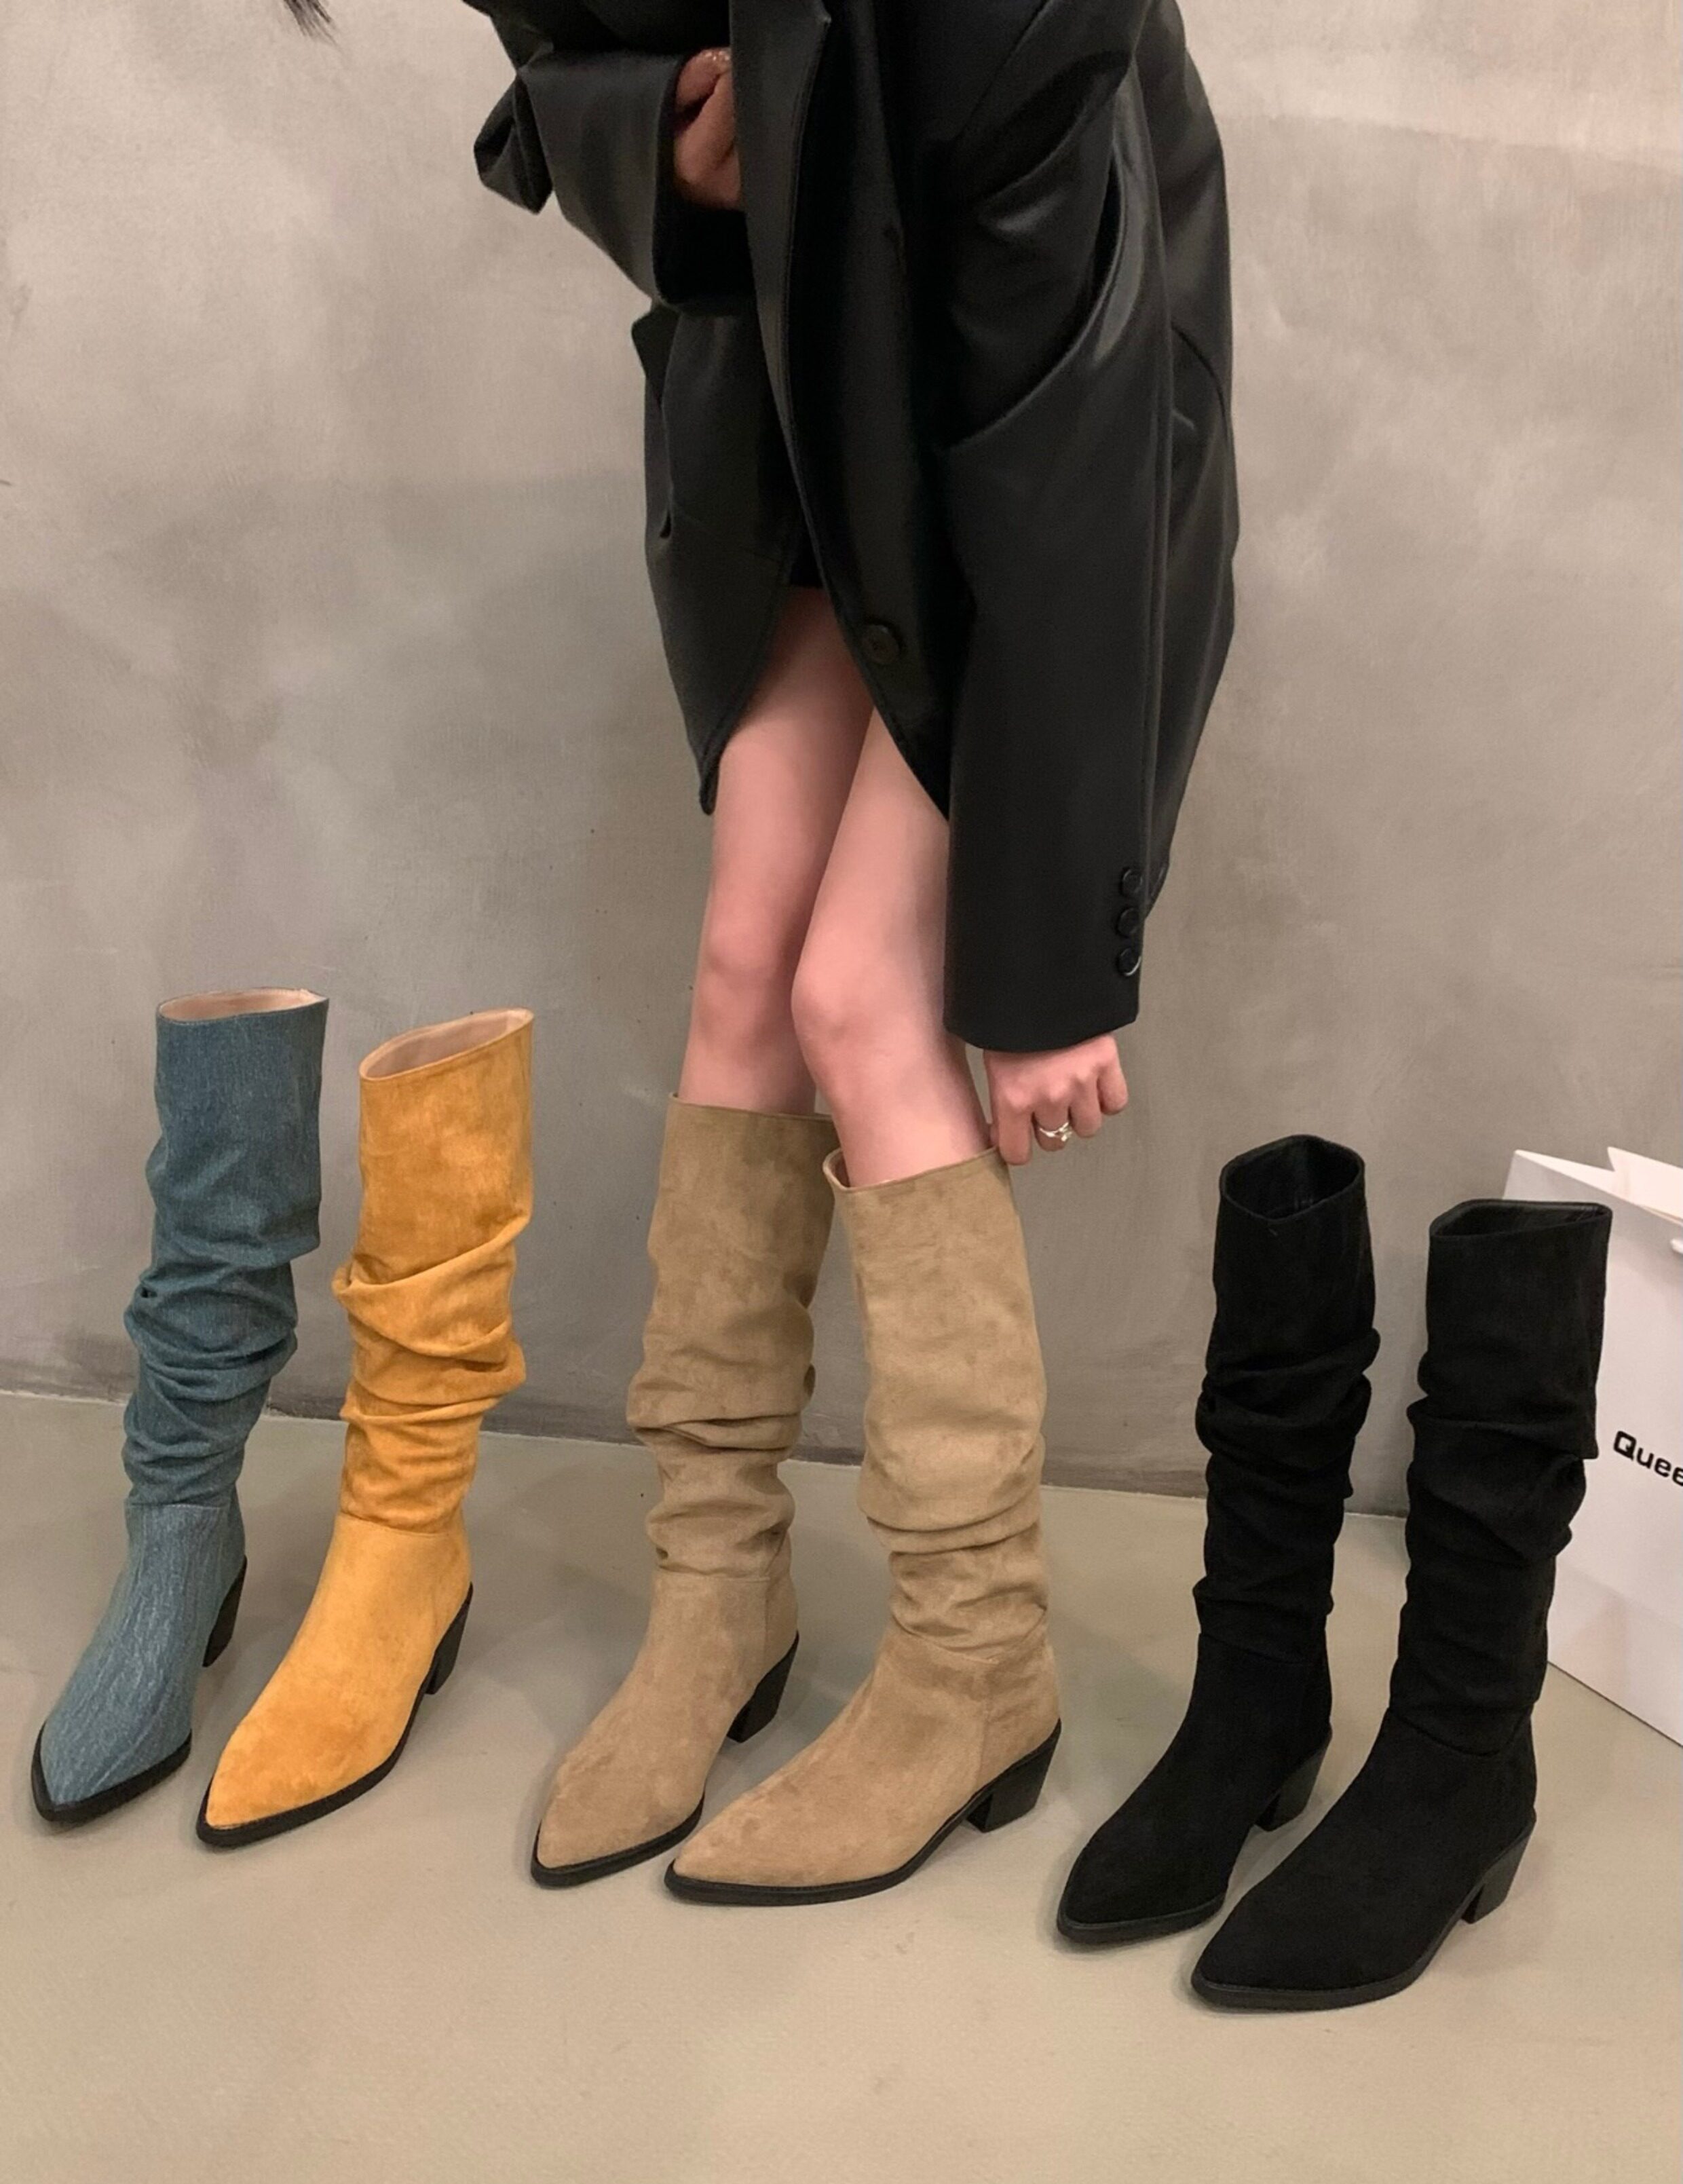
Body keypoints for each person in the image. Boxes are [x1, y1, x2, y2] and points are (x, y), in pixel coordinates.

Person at [378, 0, 1237, 1901]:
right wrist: (673, 135)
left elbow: (1077, 423)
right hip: (809, 386)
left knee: (865, 996)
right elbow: (567, 81)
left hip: (1050, 430)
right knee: (745, 977)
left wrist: (1052, 961)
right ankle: (717, 1591)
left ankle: (975, 1655)